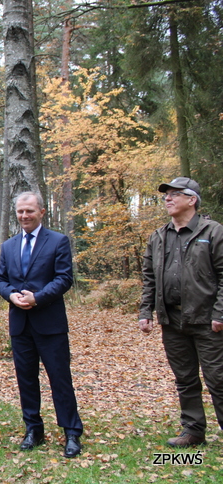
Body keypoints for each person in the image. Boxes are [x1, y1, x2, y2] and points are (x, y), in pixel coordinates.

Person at [0, 191, 83, 458]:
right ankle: (33, 429)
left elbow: (64, 278)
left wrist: (38, 298)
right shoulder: (9, 246)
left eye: (30, 211)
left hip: (50, 323)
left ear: (41, 212)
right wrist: (10, 295)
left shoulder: (58, 241)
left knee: (60, 379)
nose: (24, 216)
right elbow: (0, 279)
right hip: (20, 325)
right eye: (20, 212)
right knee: (26, 380)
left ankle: (71, 432)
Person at [139, 177, 223, 447]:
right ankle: (194, 431)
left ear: (192, 199)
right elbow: (149, 277)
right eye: (166, 195)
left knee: (218, 379)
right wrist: (146, 311)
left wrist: (220, 314)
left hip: (207, 321)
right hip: (172, 321)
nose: (168, 198)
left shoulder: (213, 232)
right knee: (185, 379)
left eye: (175, 194)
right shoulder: (158, 236)